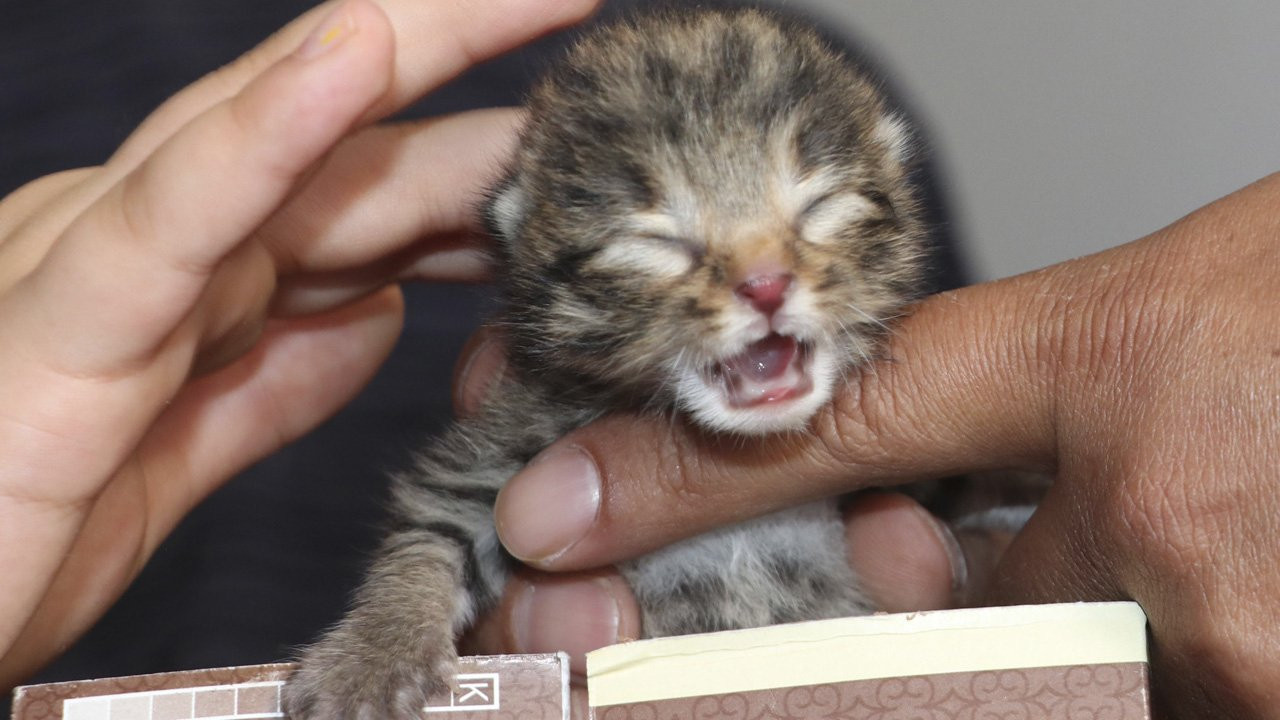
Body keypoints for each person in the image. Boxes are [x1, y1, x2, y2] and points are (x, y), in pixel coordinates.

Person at [0, 1, 1275, 719]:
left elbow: (1044, 530)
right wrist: (394, 639)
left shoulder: (811, 74)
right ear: (523, 257)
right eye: (656, 241)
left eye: (818, 214)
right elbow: (444, 528)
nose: (764, 279)